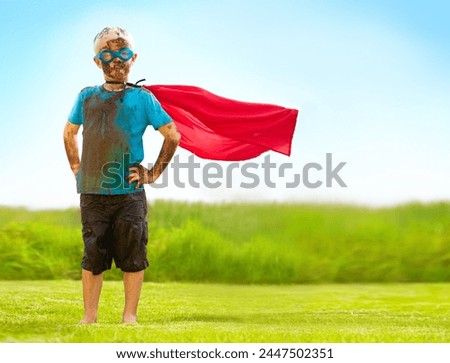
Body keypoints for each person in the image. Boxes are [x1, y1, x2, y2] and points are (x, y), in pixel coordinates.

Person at [63, 27, 180, 324]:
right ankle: (89, 317)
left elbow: (172, 136)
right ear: (97, 61)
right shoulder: (86, 97)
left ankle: (130, 315)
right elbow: (69, 133)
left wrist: (152, 173)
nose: (116, 60)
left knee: (133, 254)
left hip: (129, 194)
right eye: (107, 54)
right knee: (93, 256)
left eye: (123, 54)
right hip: (92, 193)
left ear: (134, 58)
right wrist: (77, 169)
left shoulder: (143, 99)